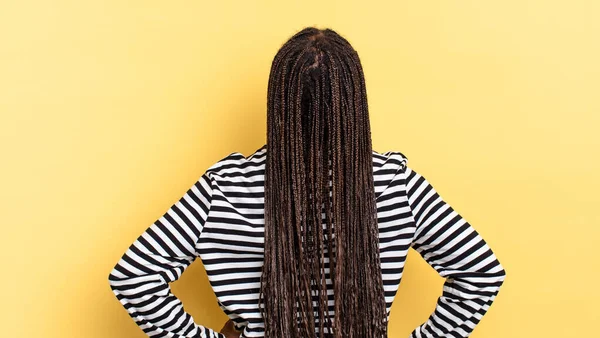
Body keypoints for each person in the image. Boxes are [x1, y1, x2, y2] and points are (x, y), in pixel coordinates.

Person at [108, 27, 506, 338]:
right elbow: (482, 271)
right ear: (353, 104)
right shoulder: (394, 184)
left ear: (277, 101)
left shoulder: (224, 188)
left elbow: (132, 276)